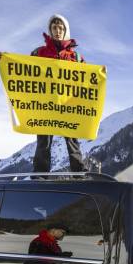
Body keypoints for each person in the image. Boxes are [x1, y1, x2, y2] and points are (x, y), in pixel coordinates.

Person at [30, 14, 88, 173]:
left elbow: (87, 79)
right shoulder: (38, 53)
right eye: (54, 28)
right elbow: (26, 72)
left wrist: (100, 73)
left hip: (68, 104)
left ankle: (79, 174)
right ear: (50, 30)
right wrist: (6, 61)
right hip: (46, 103)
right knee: (44, 141)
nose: (57, 31)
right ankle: (40, 175)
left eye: (61, 28)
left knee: (72, 140)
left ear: (65, 30)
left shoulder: (75, 57)